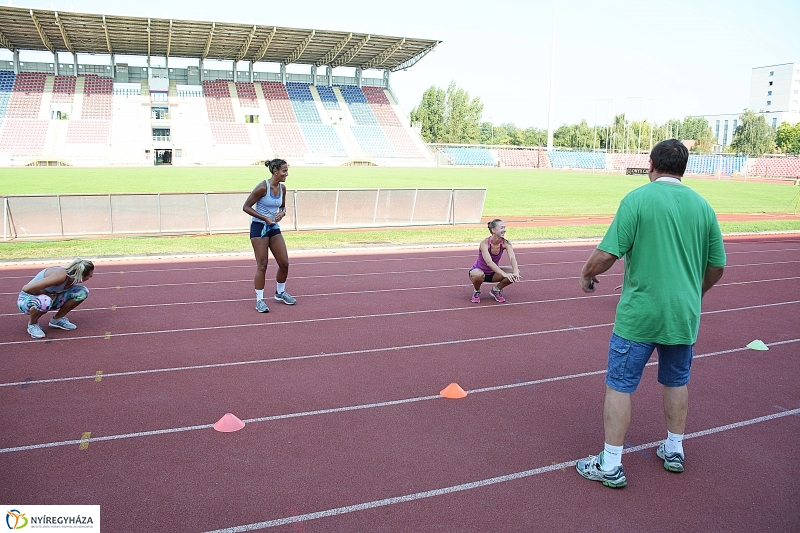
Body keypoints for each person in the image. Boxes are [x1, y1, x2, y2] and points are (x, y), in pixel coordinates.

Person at [575, 139, 726, 488]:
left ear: (652, 164)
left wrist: (586, 274)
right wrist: (695, 293)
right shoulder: (703, 206)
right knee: (677, 380)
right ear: (684, 168)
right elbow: (717, 265)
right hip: (683, 314)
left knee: (619, 385)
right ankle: (674, 449)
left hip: (640, 314)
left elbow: (607, 254)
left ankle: (610, 465)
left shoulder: (638, 199)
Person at [242, 158, 296, 313]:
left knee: (284, 263)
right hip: (259, 227)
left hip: (273, 227)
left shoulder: (282, 188)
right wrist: (264, 218)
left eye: (287, 170)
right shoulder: (262, 187)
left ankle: (280, 293)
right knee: (263, 265)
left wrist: (281, 214)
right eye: (284, 171)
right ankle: (259, 300)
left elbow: (283, 207)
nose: (287, 174)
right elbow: (246, 207)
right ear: (275, 171)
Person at [18, 258, 94, 339]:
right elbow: (26, 288)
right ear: (80, 275)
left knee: (82, 292)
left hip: (52, 298)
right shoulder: (60, 276)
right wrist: (47, 294)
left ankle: (57, 320)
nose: (90, 278)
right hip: (26, 300)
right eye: (89, 276)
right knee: (45, 301)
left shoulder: (74, 277)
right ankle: (32, 324)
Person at [468, 219, 520, 303]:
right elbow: (489, 263)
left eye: (504, 227)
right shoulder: (484, 243)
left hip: (493, 273)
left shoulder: (506, 243)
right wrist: (503, 273)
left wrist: (516, 271)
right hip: (478, 272)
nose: (504, 230)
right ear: (493, 230)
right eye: (502, 228)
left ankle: (496, 289)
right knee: (477, 274)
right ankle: (476, 291)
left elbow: (512, 258)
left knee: (515, 272)